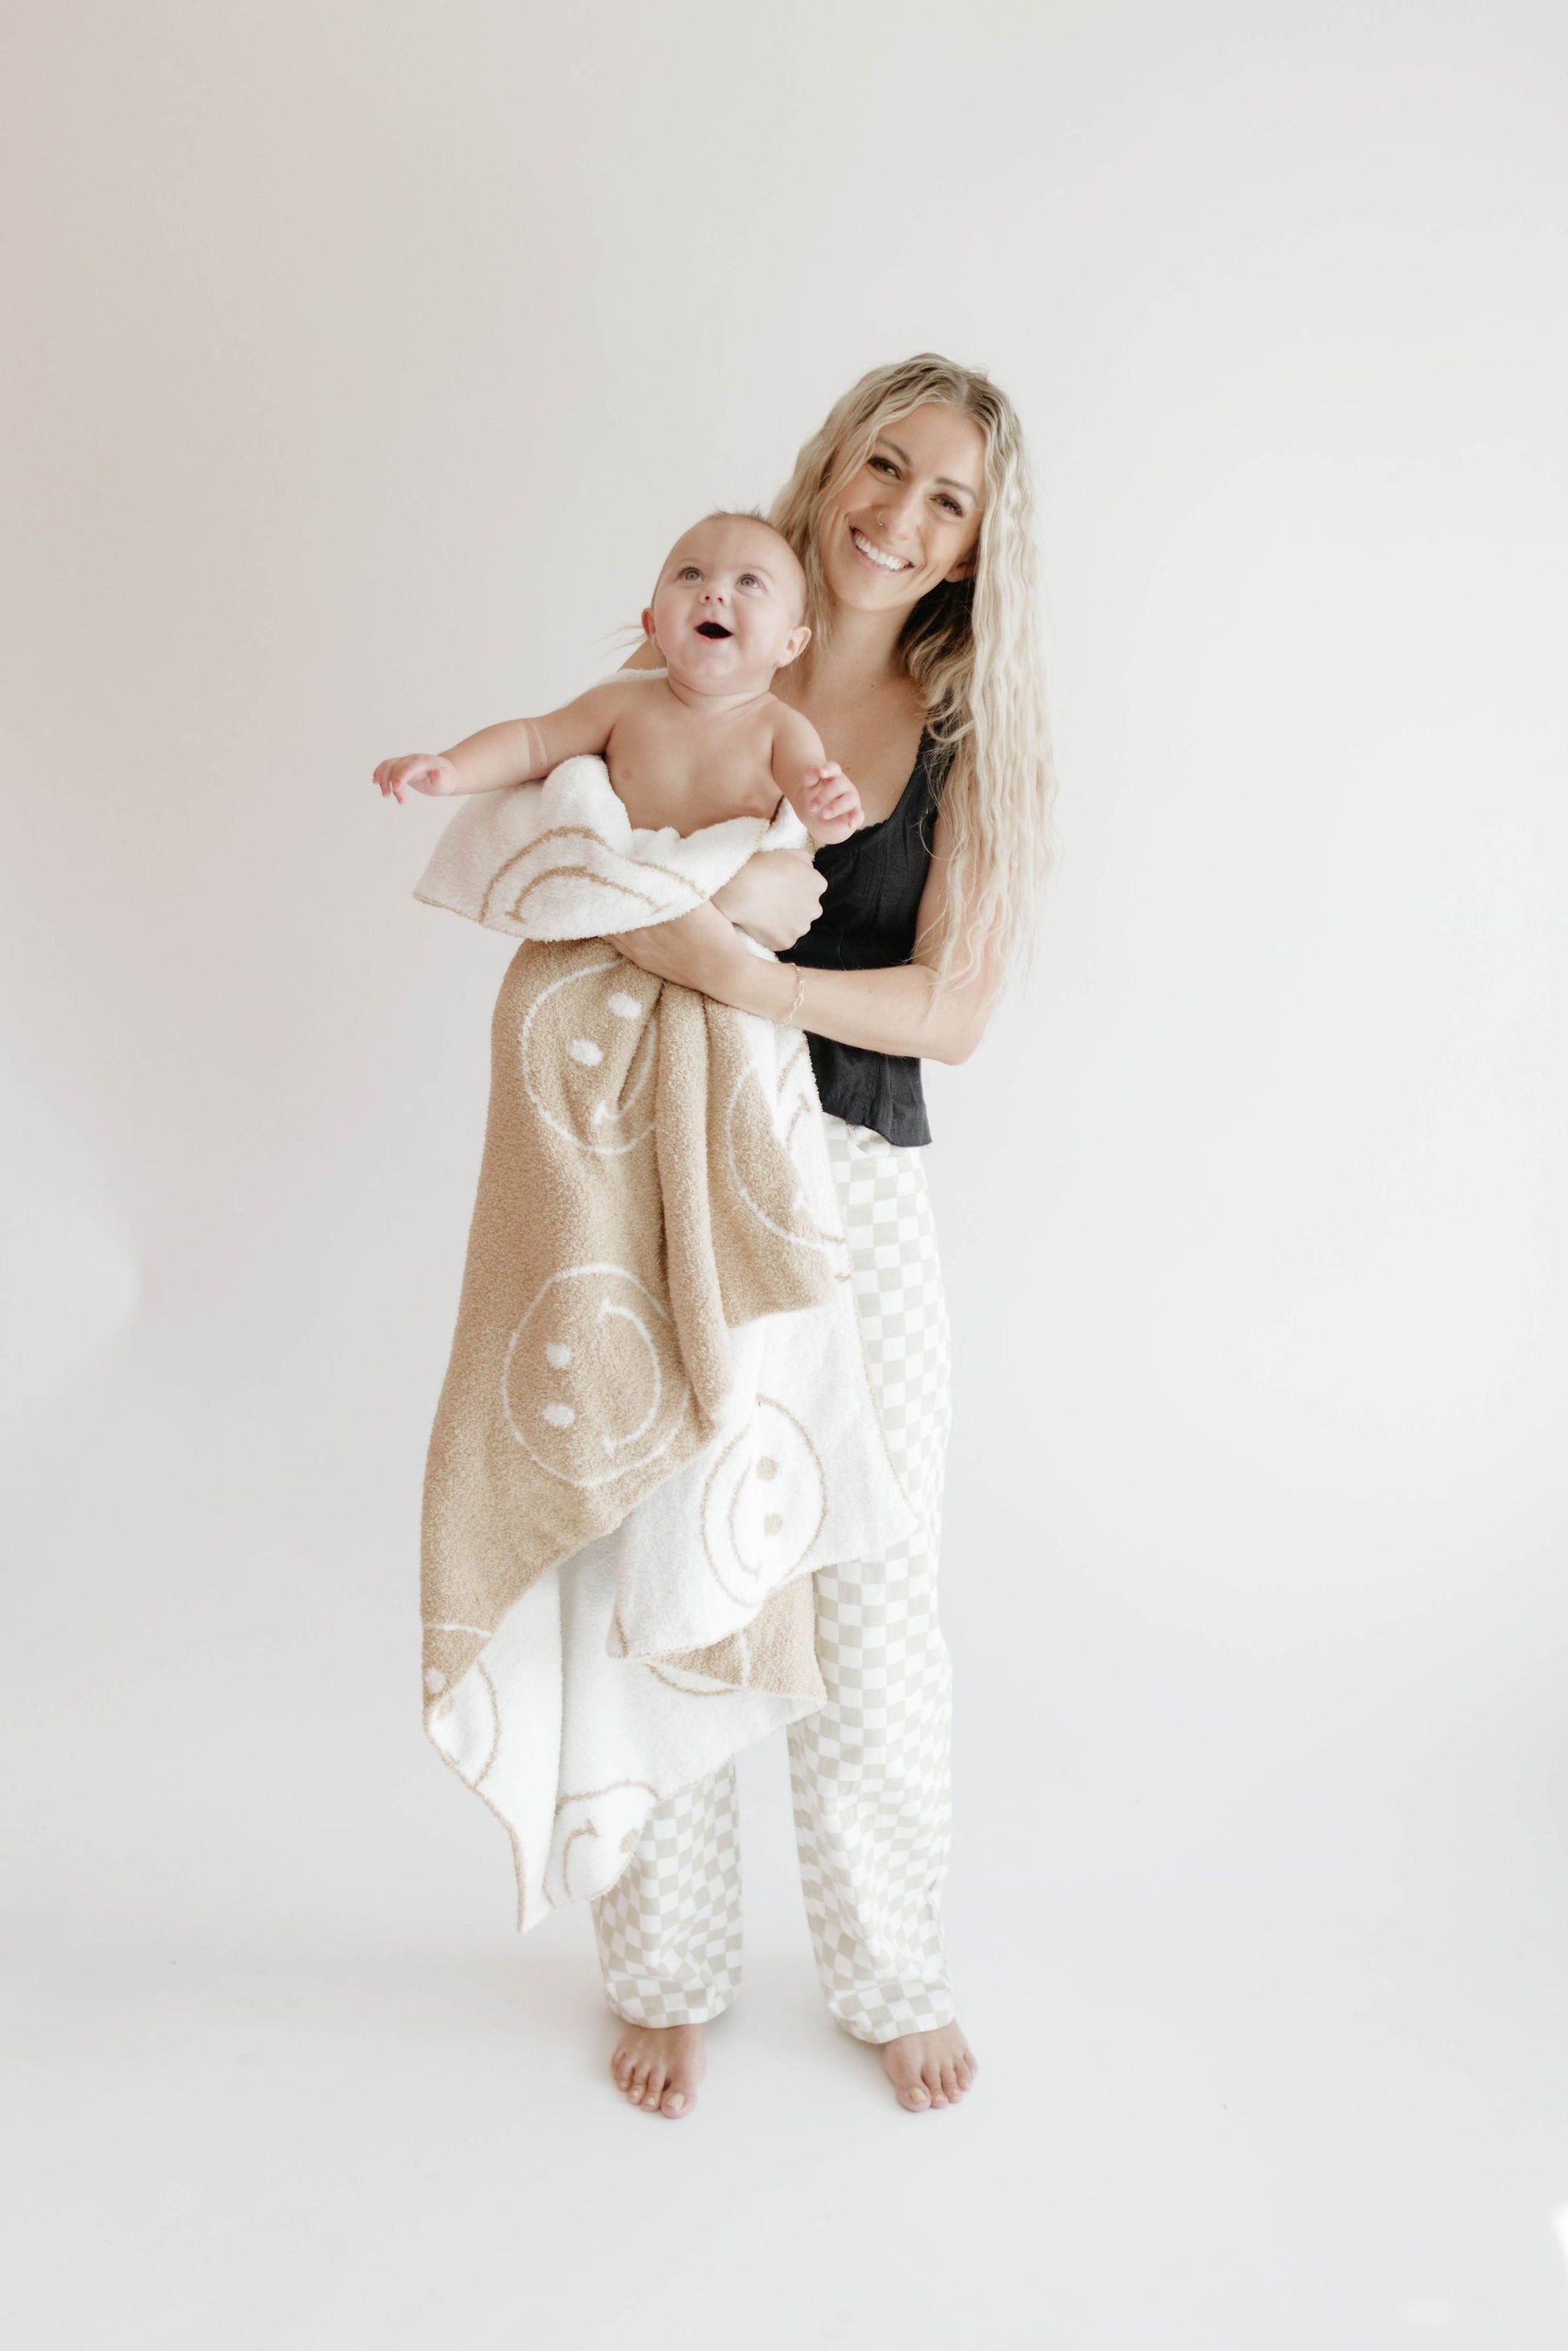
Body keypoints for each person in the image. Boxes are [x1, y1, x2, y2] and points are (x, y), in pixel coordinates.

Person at [598, 353, 1056, 2119]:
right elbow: (579, 844)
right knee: (674, 1578)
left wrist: (749, 973)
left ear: (970, 552)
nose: (899, 513)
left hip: (855, 1178)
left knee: (872, 1593)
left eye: (948, 501)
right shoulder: (714, 637)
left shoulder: (966, 727)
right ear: (833, 460)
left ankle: (887, 1966)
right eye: (887, 464)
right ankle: (666, 1968)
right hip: (673, 1167)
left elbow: (950, 1010)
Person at [371, 512, 863, 845]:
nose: (713, 591)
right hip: (617, 916)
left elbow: (810, 805)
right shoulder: (622, 705)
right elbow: (531, 743)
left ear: (791, 645)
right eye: (691, 575)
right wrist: (453, 769)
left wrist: (828, 813)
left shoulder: (782, 731)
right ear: (653, 627)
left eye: (749, 582)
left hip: (714, 937)